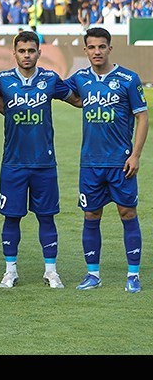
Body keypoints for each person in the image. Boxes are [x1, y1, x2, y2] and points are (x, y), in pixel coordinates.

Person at [0, 31, 79, 289]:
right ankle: (10, 271)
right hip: (13, 163)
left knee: (47, 217)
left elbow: (77, 100)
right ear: (14, 53)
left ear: (39, 53)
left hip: (44, 163)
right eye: (22, 51)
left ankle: (51, 271)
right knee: (11, 217)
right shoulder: (3, 80)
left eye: (31, 51)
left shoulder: (50, 79)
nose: (27, 55)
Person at [64, 27, 148, 292]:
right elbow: (64, 94)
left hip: (121, 162)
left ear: (110, 48)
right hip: (90, 163)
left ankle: (133, 275)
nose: (97, 52)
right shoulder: (80, 78)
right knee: (91, 214)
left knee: (127, 213)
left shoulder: (127, 78)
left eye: (102, 47)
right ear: (85, 50)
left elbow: (142, 117)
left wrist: (135, 155)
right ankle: (93, 274)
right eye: (92, 47)